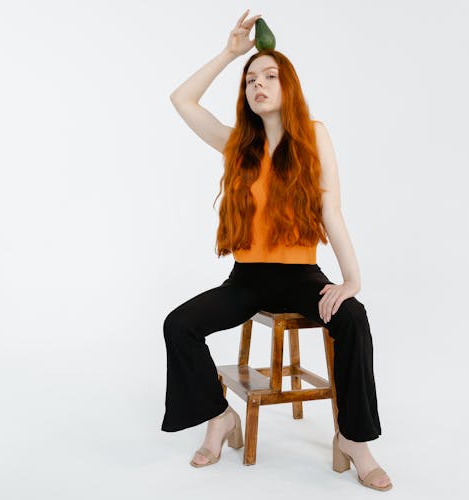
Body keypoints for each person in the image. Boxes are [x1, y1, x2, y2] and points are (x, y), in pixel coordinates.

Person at [161, 9, 393, 492]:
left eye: (269, 76)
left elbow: (333, 212)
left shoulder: (314, 136)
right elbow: (181, 99)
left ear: (289, 86)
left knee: (353, 317)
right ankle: (219, 416)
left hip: (300, 275)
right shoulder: (234, 146)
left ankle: (354, 440)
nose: (258, 84)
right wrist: (230, 53)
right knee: (179, 325)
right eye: (250, 80)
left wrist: (350, 280)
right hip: (247, 279)